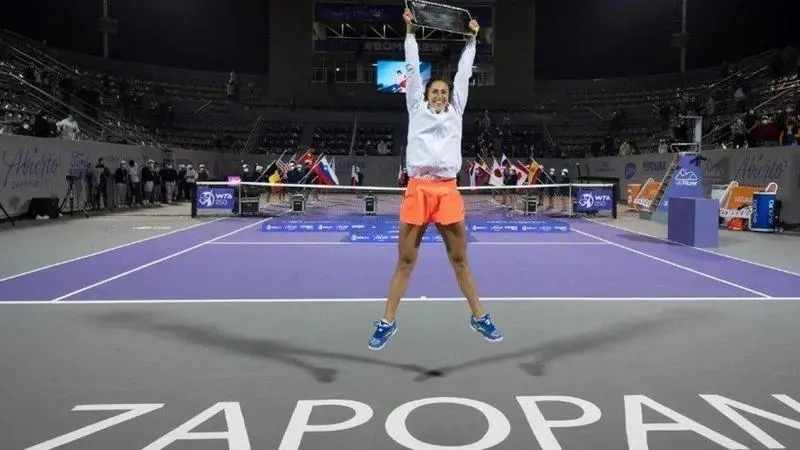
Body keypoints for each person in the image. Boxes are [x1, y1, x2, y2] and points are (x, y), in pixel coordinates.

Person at [368, 8, 502, 351]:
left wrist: (472, 41)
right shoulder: (416, 107)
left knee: (460, 260)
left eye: (444, 91)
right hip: (417, 190)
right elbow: (413, 69)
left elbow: (463, 73)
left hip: (447, 191)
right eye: (434, 91)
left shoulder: (457, 109)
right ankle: (387, 322)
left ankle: (479, 317)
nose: (440, 95)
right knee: (405, 262)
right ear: (426, 95)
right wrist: (410, 33)